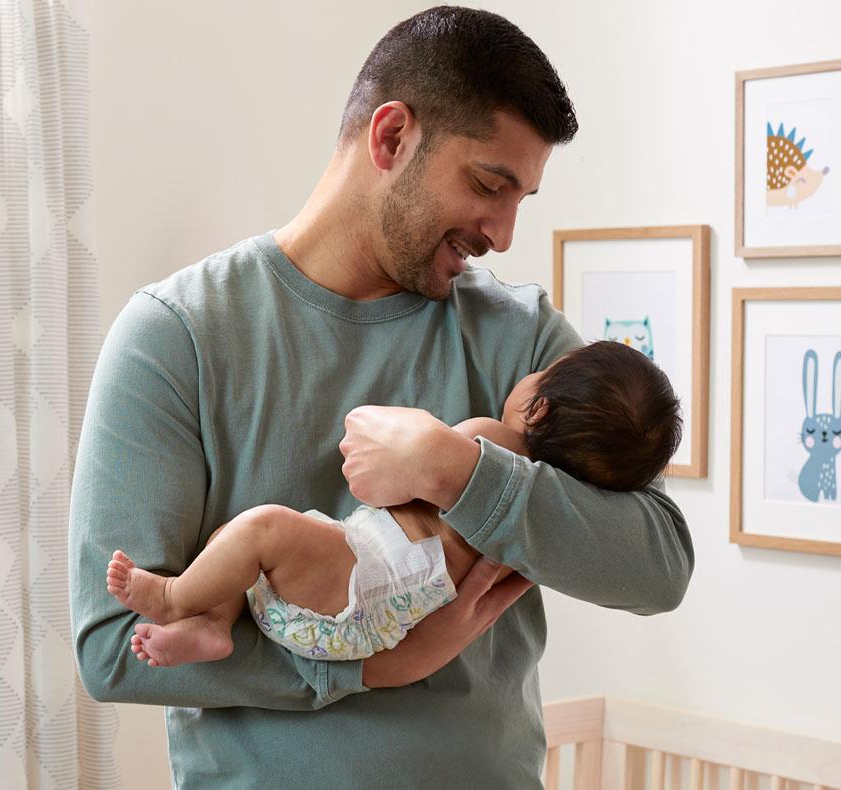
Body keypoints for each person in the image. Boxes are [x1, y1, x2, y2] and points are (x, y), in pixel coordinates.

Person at [69, 7, 694, 788]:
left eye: (521, 200)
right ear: (391, 137)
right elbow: (113, 650)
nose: (502, 233)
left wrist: (458, 471)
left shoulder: (525, 341)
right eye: (487, 185)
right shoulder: (176, 336)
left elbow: (658, 565)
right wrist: (371, 670)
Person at [104, 340, 682, 667]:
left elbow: (380, 483)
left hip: (368, 574)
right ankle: (213, 625)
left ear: (544, 410)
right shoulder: (545, 518)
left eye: (542, 374)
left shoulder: (489, 441)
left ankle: (178, 598)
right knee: (243, 544)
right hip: (378, 619)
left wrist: (427, 450)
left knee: (253, 532)